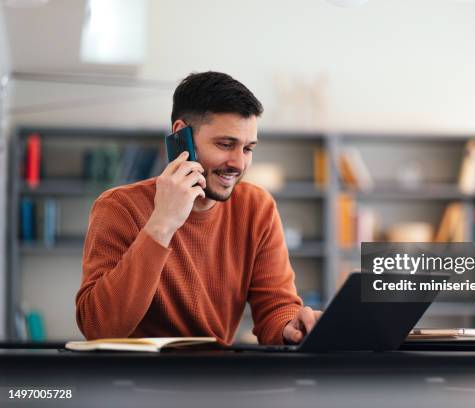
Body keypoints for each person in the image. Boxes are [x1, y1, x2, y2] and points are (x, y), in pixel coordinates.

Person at [76, 71, 321, 345]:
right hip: (134, 379)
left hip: (216, 379)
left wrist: (290, 327)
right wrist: (162, 222)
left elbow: (276, 308)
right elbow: (98, 327)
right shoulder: (119, 207)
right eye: (225, 144)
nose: (239, 164)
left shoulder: (257, 208)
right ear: (183, 136)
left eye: (248, 148)